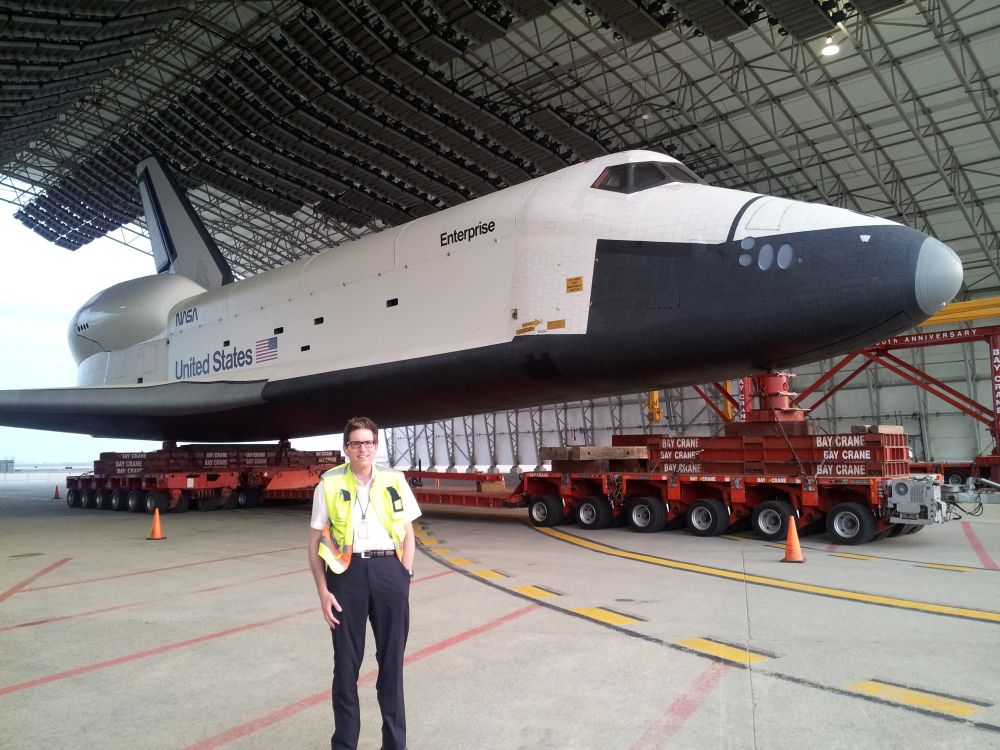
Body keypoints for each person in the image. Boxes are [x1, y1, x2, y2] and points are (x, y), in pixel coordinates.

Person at [308, 416, 421, 750]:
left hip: (390, 572)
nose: (362, 449)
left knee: (391, 668)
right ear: (346, 448)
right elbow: (314, 543)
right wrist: (323, 592)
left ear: (376, 445)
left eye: (368, 442)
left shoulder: (394, 480)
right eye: (355, 443)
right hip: (346, 576)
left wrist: (405, 575)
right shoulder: (327, 484)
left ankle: (394, 745)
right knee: (345, 667)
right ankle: (344, 745)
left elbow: (410, 534)